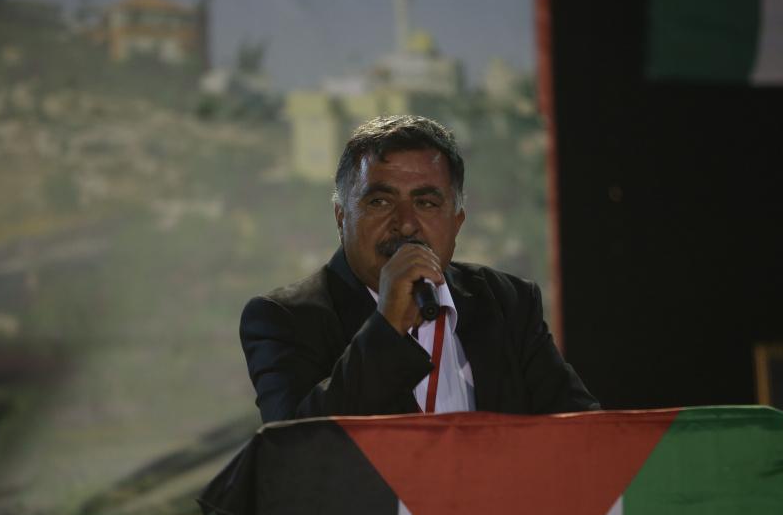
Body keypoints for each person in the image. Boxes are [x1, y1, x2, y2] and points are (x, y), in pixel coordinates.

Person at [240, 115, 598, 422]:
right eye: (380, 201)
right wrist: (387, 325)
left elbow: (584, 433)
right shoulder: (283, 319)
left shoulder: (508, 303)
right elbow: (297, 452)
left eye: (426, 203)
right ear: (340, 217)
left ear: (456, 222)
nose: (406, 224)